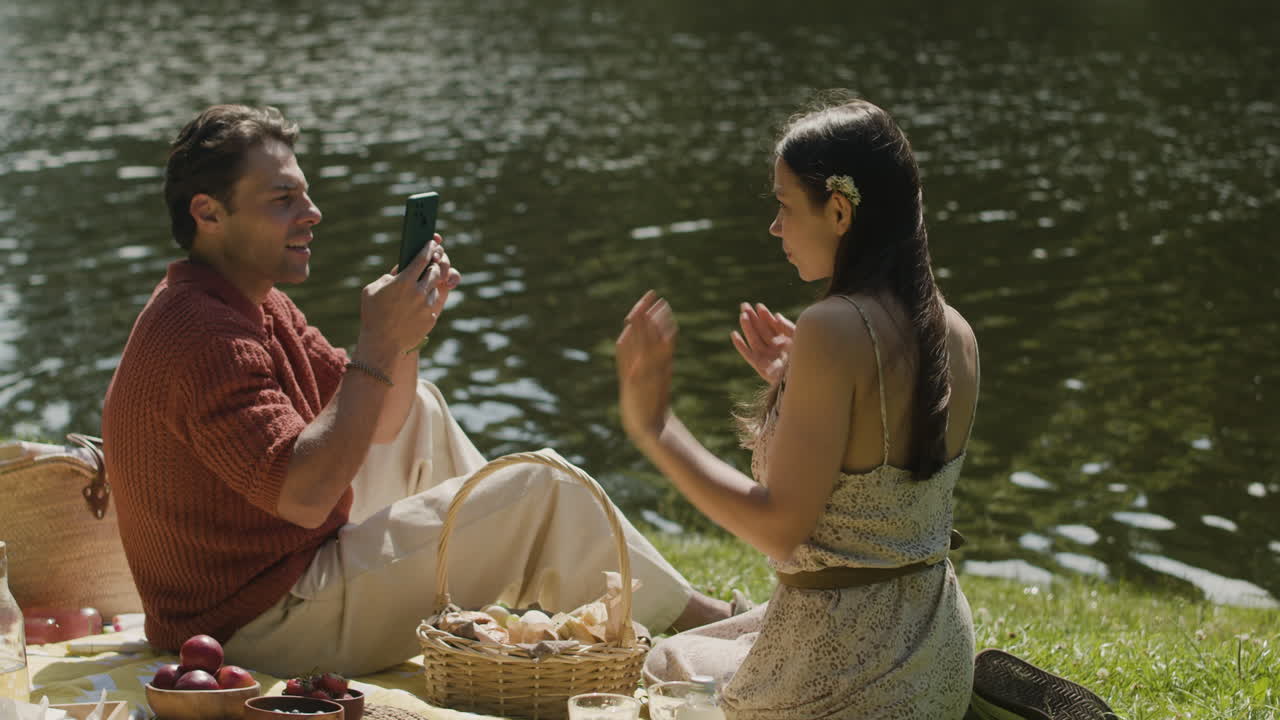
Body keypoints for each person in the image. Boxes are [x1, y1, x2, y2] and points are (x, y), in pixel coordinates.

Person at [101, 104, 729, 678]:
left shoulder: (253, 304)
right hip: (251, 628)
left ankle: (560, 587)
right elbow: (305, 493)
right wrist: (376, 343)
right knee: (541, 488)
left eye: (306, 193)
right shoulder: (202, 334)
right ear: (208, 213)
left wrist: (403, 338)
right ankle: (709, 626)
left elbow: (385, 422)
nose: (312, 212)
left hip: (276, 574)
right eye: (283, 199)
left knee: (423, 408)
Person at [615, 97, 980, 719]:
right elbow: (886, 460)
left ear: (838, 211)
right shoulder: (954, 330)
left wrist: (656, 428)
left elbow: (779, 527)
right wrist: (799, 382)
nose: (775, 227)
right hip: (934, 653)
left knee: (649, 675)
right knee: (690, 650)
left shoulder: (834, 328)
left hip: (847, 668)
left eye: (784, 205)